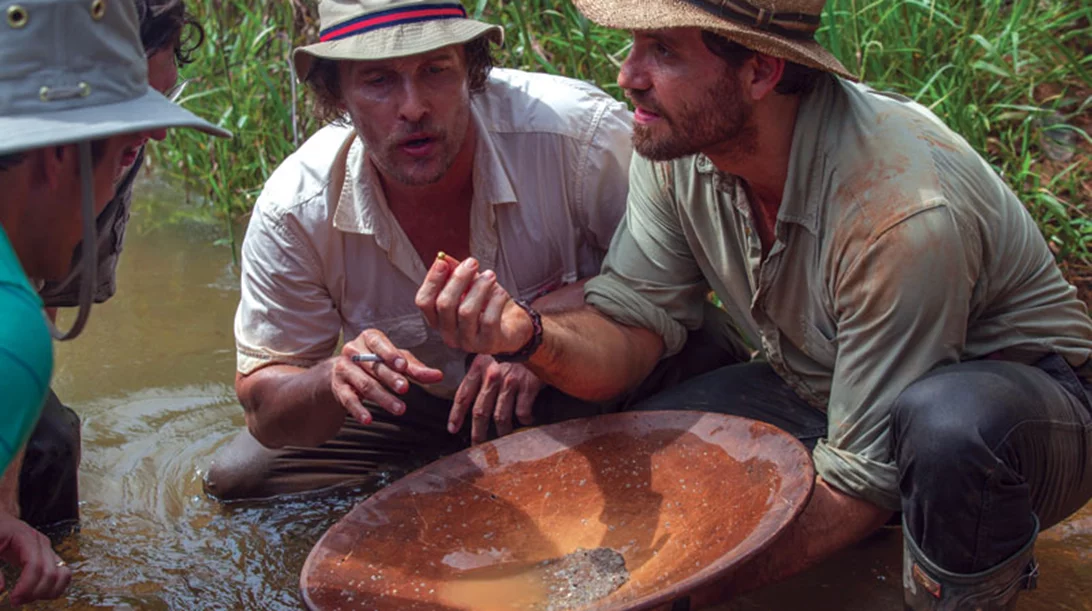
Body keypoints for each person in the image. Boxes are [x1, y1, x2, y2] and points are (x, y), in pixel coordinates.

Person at [413, 0, 1092, 609]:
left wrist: (675, 589)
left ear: (761, 73)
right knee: (643, 445)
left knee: (947, 428)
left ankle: (965, 593)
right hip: (824, 385)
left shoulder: (896, 211)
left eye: (665, 51)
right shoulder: (676, 145)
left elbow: (859, 483)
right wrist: (529, 336)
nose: (629, 75)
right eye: (635, 48)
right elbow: (631, 325)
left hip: (1026, 411)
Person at [204, 0, 737, 501]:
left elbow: (684, 272)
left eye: (436, 70)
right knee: (241, 478)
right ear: (337, 94)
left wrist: (537, 338)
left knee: (716, 375)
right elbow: (263, 403)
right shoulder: (298, 206)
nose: (412, 108)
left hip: (589, 373)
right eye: (379, 81)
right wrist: (331, 379)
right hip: (427, 402)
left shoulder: (579, 137)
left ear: (471, 70)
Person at [0, 0, 229, 605]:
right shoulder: (12, 337)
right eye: (125, 140)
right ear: (58, 152)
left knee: (47, 442)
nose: (155, 134)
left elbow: (43, 293)